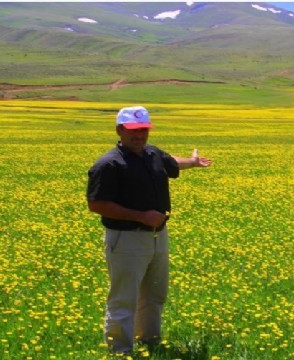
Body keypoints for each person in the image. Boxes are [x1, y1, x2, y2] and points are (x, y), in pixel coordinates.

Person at [86, 105, 211, 355]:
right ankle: (120, 350)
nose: (139, 135)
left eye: (143, 129)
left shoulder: (151, 154)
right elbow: (96, 203)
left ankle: (149, 340)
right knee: (124, 298)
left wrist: (193, 162)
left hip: (157, 237)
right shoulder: (108, 164)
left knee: (155, 294)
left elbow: (170, 162)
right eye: (133, 130)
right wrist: (141, 216)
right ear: (119, 130)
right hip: (126, 239)